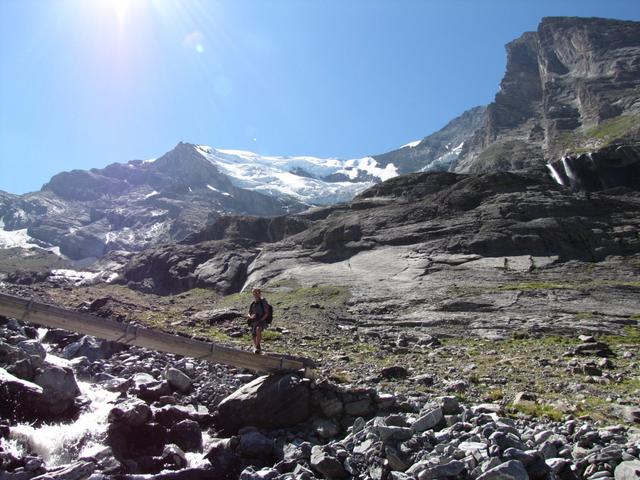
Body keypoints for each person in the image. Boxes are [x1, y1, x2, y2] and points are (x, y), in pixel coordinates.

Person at [247, 287, 268, 354]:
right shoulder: (252, 303)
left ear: (259, 293)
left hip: (261, 320)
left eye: (257, 292)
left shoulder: (263, 302)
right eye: (254, 292)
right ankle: (256, 347)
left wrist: (261, 320)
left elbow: (267, 313)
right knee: (253, 334)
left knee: (258, 330)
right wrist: (250, 317)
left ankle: (258, 346)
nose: (255, 294)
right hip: (254, 321)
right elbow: (249, 313)